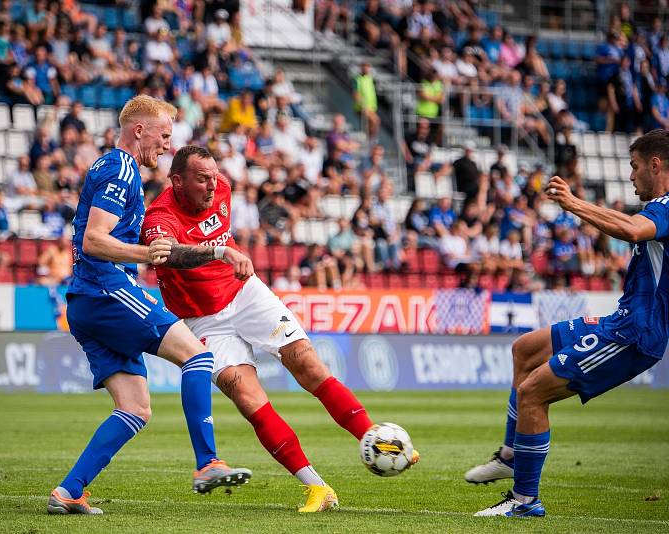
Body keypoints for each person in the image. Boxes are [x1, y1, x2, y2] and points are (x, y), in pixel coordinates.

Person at [142, 146, 419, 513]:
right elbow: (168, 254)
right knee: (249, 400)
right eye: (201, 179)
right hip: (203, 320)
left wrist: (228, 257)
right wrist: (221, 253)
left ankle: (378, 439)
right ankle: (317, 488)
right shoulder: (160, 216)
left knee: (309, 365)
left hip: (245, 292)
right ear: (177, 180)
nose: (212, 186)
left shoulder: (222, 188)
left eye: (213, 176)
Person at [48, 96, 250, 516]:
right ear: (139, 130)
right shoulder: (122, 169)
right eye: (163, 135)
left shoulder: (109, 168)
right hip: (106, 289)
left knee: (135, 407)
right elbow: (95, 241)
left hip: (87, 300)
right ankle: (208, 463)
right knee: (197, 356)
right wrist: (146, 254)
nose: (166, 145)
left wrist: (207, 253)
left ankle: (69, 490)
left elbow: (109, 238)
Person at [470, 129, 669, 517]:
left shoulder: (666, 207)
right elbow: (632, 225)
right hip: (622, 319)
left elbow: (630, 229)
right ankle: (512, 455)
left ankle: (524, 501)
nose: (630, 176)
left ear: (656, 165)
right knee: (525, 349)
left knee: (532, 393)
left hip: (634, 334)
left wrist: (575, 204)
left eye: (635, 167)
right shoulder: (658, 207)